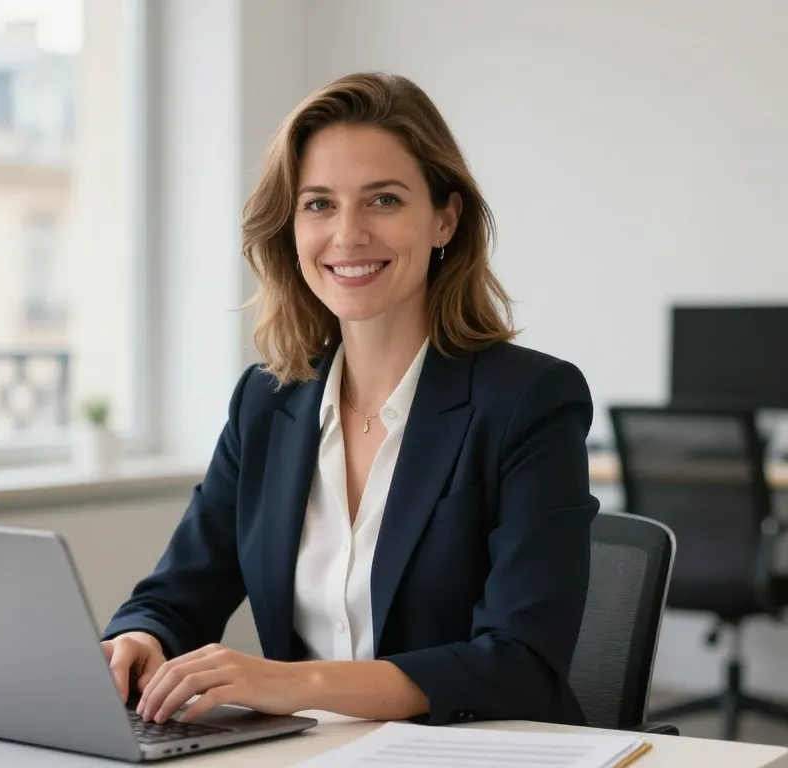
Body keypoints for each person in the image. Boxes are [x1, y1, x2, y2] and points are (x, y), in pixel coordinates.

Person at [101, 71, 599, 728]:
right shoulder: (266, 405)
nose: (348, 234)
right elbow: (178, 592)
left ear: (444, 218)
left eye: (384, 200)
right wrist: (141, 637)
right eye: (319, 204)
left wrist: (294, 682)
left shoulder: (529, 402)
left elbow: (522, 664)